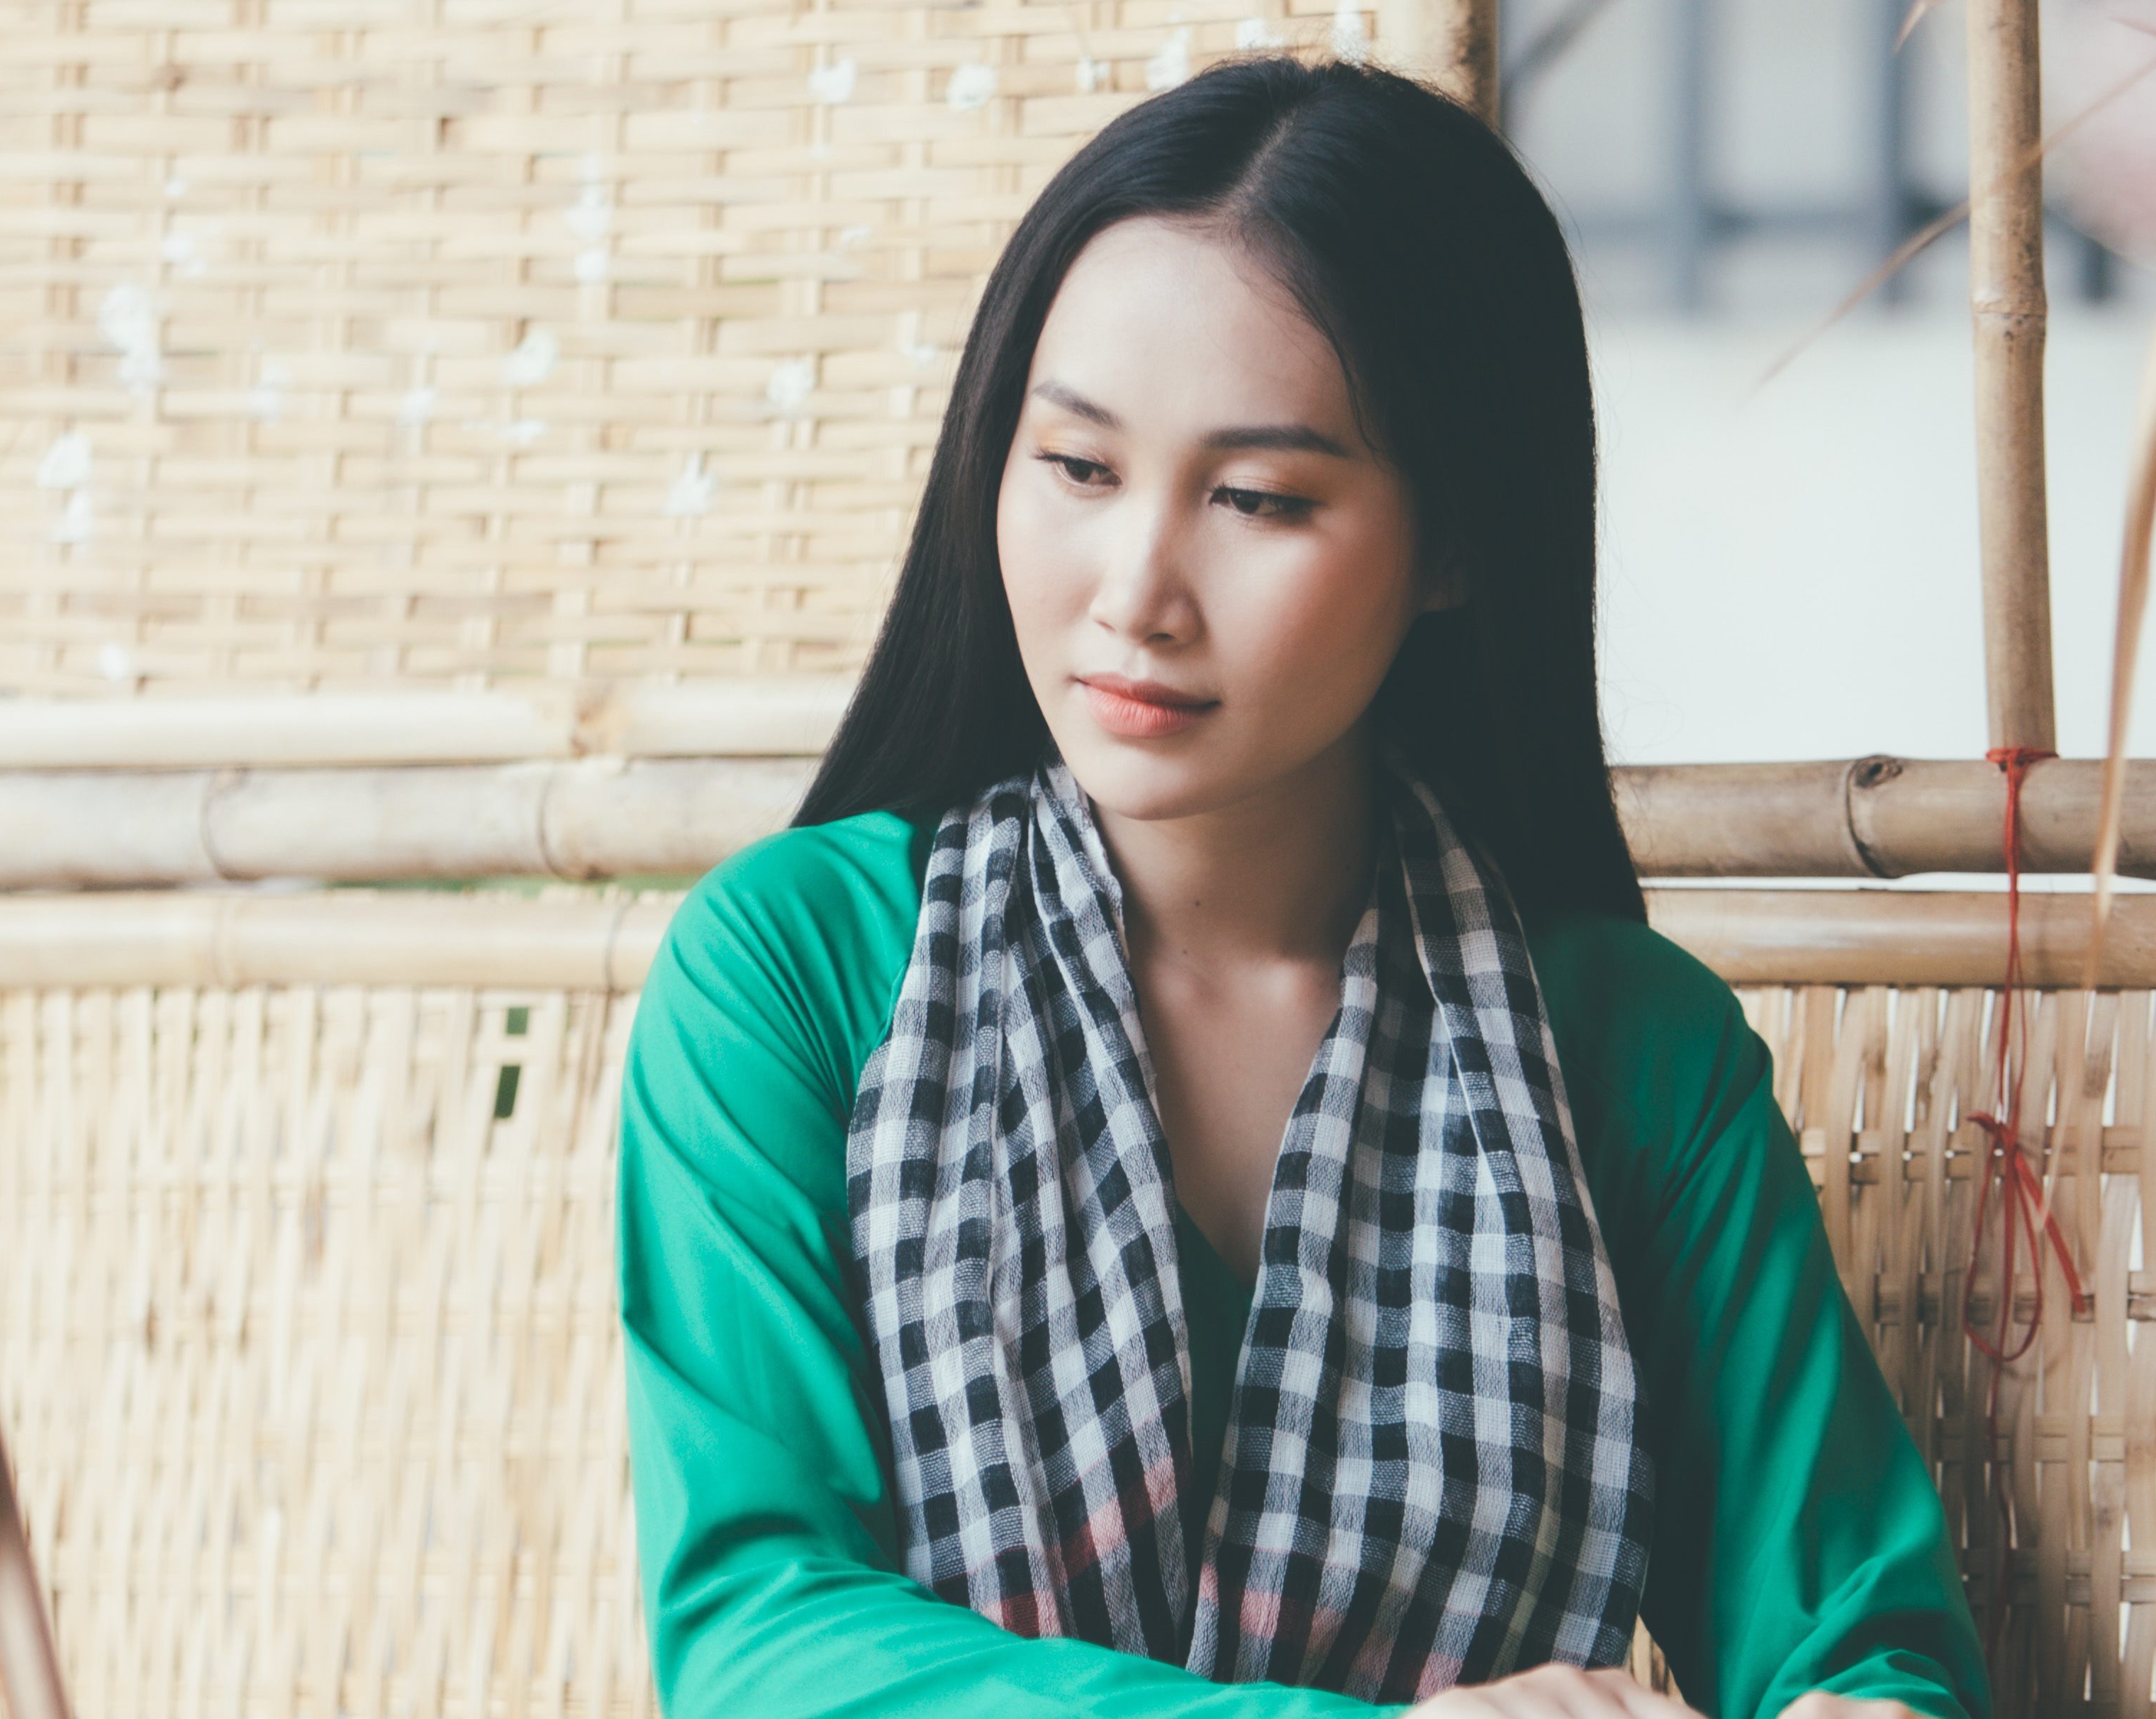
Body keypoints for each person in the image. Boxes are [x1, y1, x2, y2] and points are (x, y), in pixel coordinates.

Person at [613, 52, 1988, 1719]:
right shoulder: (798, 966)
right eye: (1075, 469)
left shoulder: (1629, 1053)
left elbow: (1858, 1638)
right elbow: (758, 1643)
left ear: (1458, 543)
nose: (1134, 593)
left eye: (1257, 498)